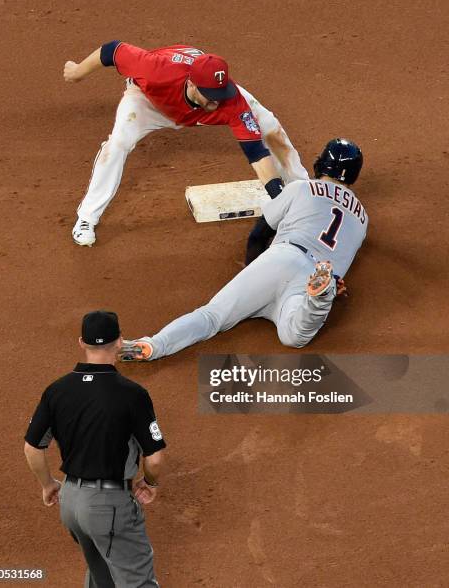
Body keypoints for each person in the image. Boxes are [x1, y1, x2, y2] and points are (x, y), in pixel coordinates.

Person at [118, 139, 368, 360]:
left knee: (212, 317)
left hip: (282, 257)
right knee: (293, 337)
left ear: (321, 163)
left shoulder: (301, 187)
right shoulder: (362, 219)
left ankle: (152, 345)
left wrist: (253, 272)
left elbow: (259, 234)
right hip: (310, 277)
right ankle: (319, 298)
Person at [63, 41, 309, 246]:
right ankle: (87, 217)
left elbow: (256, 153)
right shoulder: (155, 70)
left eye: (220, 95)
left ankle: (304, 190)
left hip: (193, 108)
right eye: (211, 96)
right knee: (117, 144)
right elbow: (112, 51)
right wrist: (77, 71)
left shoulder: (228, 99)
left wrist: (279, 199)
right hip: (149, 103)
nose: (216, 102)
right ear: (192, 84)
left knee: (269, 125)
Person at [24, 311, 166, 587]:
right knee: (137, 582)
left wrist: (48, 484)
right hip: (108, 507)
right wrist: (150, 482)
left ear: (81, 342)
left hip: (71, 503)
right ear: (120, 342)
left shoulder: (57, 391)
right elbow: (155, 458)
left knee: (102, 577)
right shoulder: (131, 394)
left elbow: (32, 448)